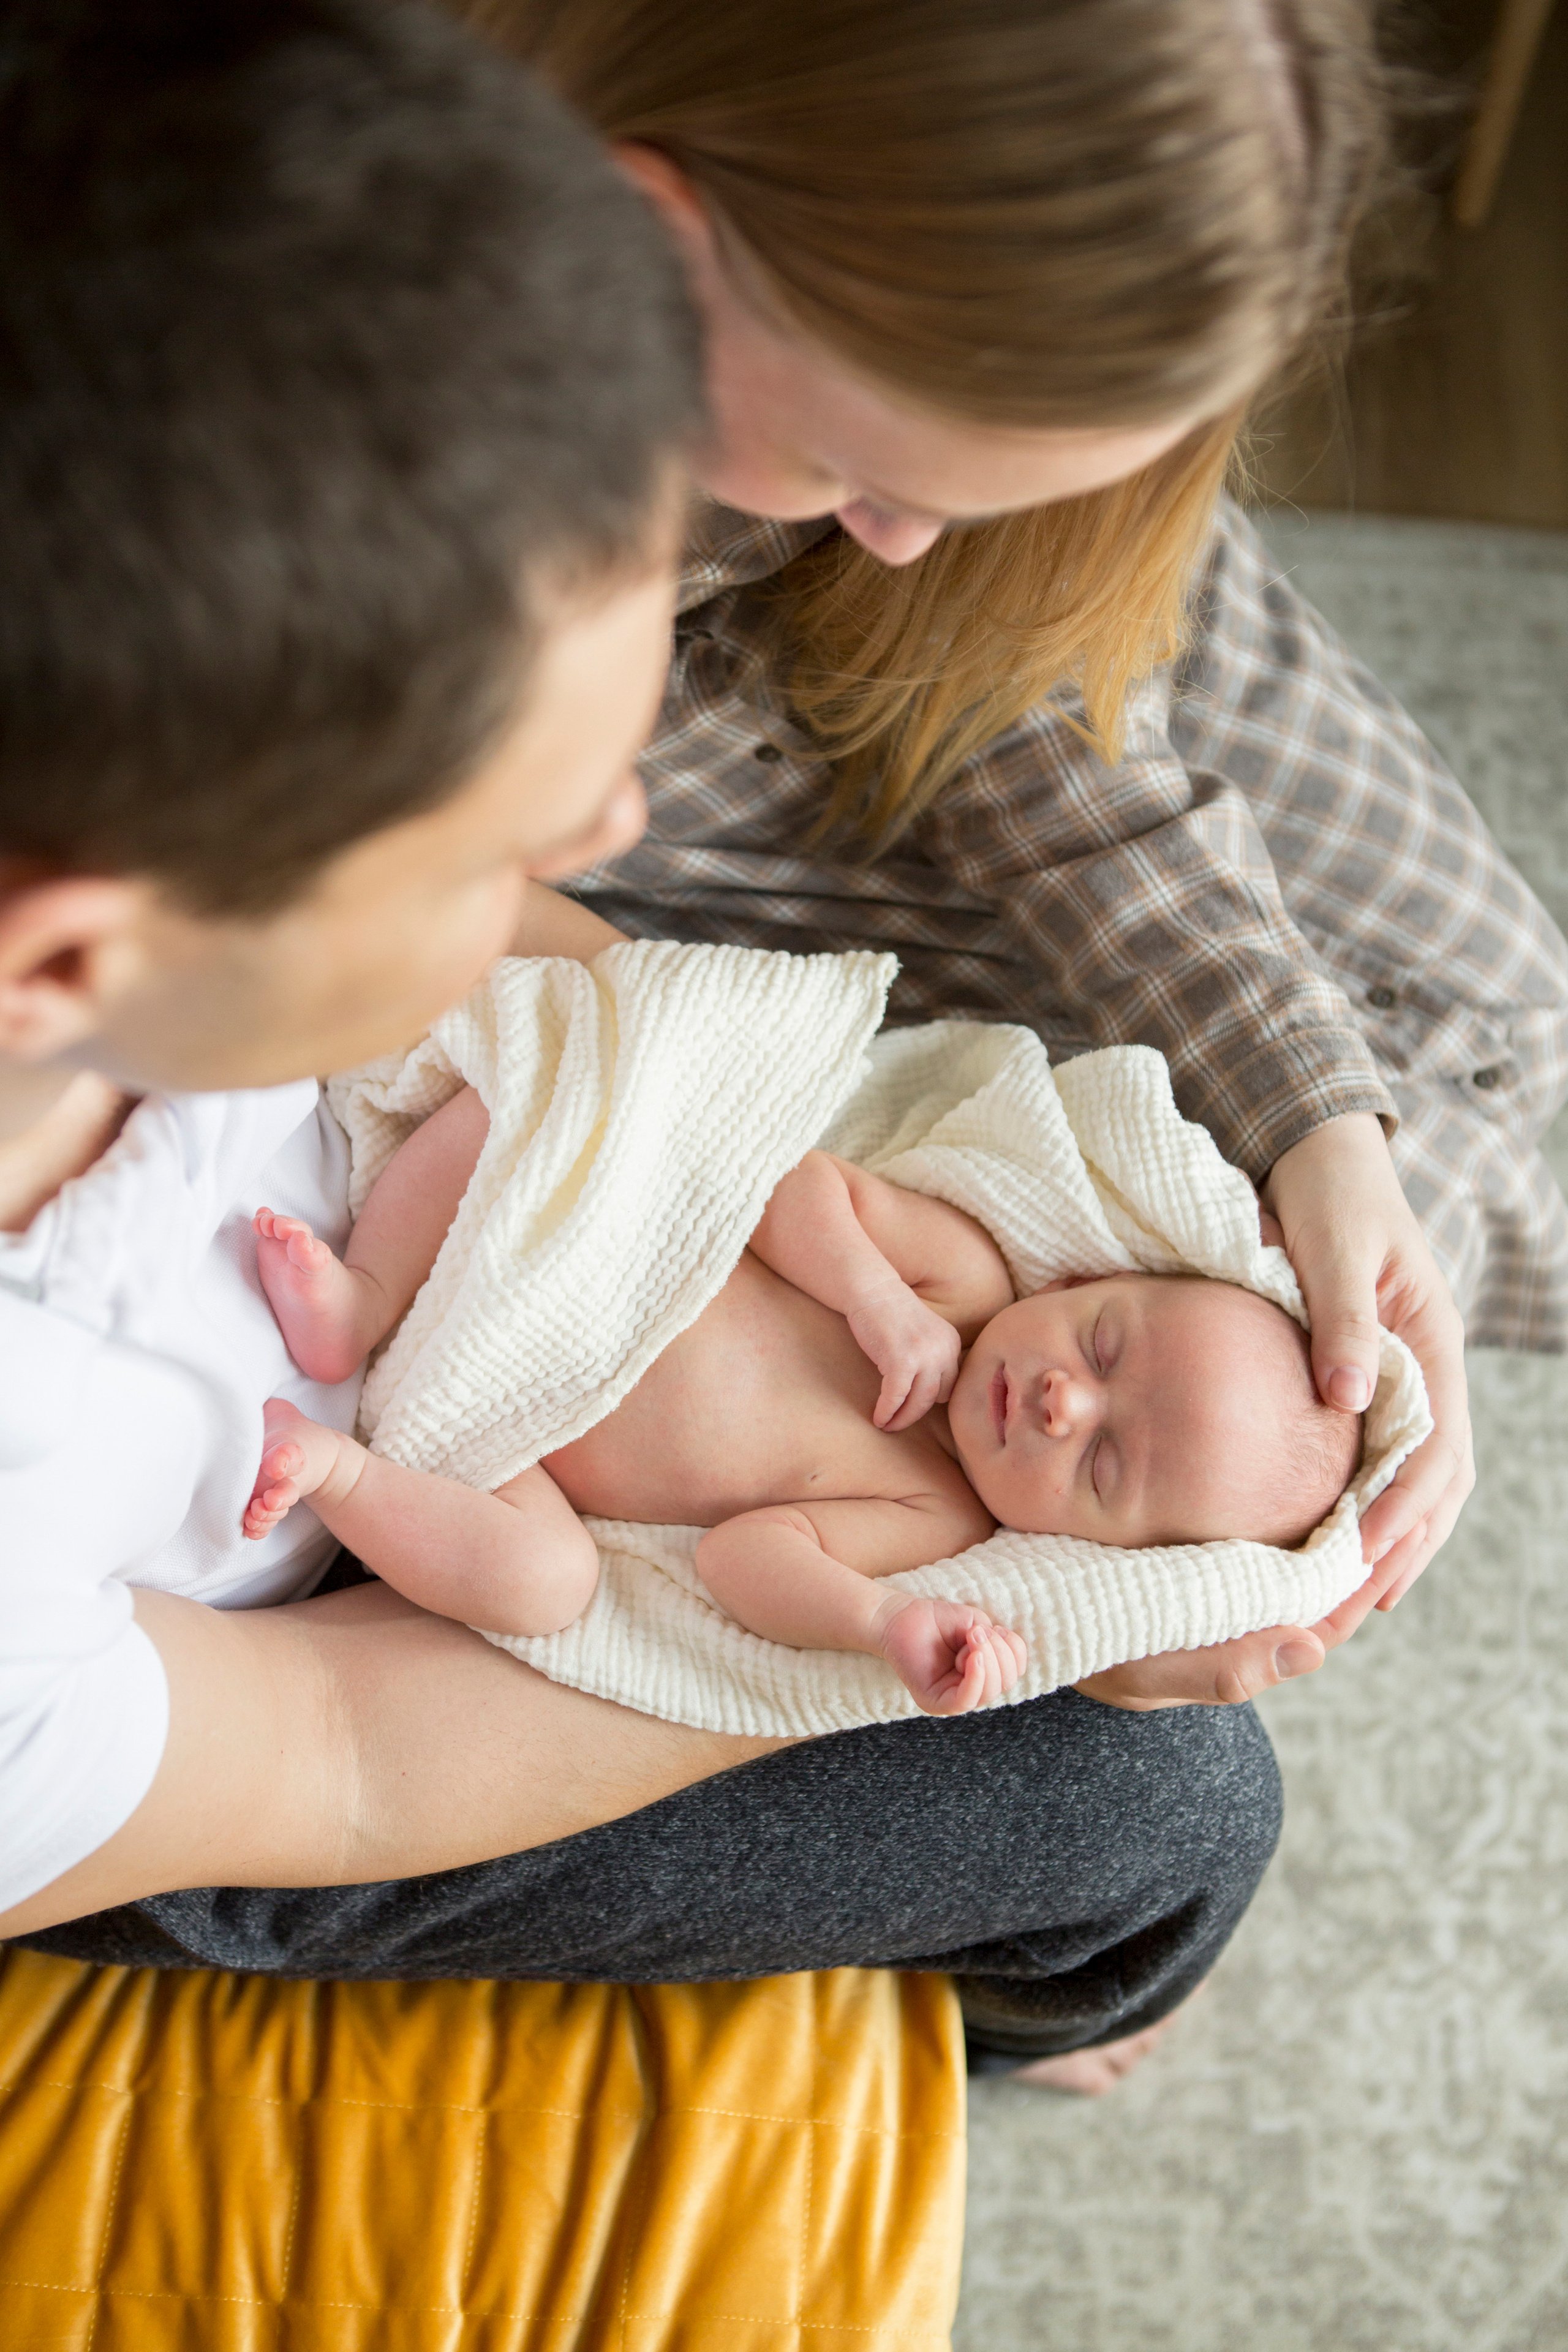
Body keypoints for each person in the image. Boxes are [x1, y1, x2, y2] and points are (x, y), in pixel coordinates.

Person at [1, 0, 1292, 2095]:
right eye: (511, 823)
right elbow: (333, 1758)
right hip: (290, 1618)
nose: (610, 839)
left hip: (413, 1262)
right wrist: (1024, 1623)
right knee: (1171, 1811)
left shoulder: (186, 486)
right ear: (71, 962)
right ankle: (1022, 2015)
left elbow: (581, 980)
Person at [457, 0, 1568, 1706]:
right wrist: (1076, 1611)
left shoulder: (930, 495)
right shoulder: (448, 522)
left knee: (1494, 1060)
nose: (899, 536)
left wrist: (1326, 1132)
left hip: (1034, 730)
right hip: (775, 847)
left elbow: (1004, 695)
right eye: (867, 471)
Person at [243, 1089, 1359, 1713]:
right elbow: (782, 1173)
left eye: (1104, 1467)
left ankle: (343, 1474)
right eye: (1104, 1344)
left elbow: (740, 1561)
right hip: (554, 1244)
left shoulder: (937, 1520)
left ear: (1099, 1552)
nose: (1066, 1404)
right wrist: (869, 1292)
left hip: (501, 1436)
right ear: (1077, 1281)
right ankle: (362, 1299)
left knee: (543, 1585)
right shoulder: (960, 1277)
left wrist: (877, 1623)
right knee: (532, 1105)